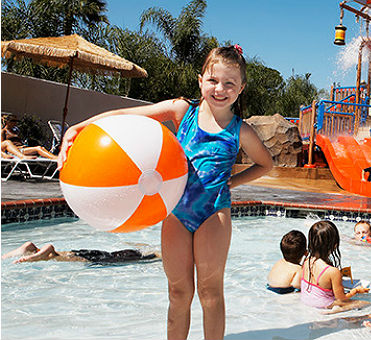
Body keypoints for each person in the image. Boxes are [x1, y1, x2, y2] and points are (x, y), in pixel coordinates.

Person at [58, 45, 274, 340]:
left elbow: (265, 164)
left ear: (241, 89)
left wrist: (231, 183)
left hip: (213, 214)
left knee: (210, 293)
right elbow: (126, 116)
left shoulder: (241, 131)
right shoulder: (182, 111)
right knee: (178, 291)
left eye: (229, 83)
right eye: (213, 80)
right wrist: (79, 128)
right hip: (176, 212)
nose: (220, 89)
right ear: (200, 80)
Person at [300, 221, 370, 313]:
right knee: (366, 303)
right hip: (324, 305)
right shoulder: (332, 271)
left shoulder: (306, 261)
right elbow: (341, 298)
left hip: (306, 300)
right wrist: (356, 291)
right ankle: (337, 310)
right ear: (334, 245)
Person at [2, 241, 159, 264]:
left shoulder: (138, 250)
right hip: (98, 256)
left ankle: (32, 250)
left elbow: (140, 246)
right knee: (62, 257)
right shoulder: (144, 256)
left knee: (70, 255)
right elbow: (154, 255)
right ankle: (44, 254)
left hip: (98, 252)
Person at [267, 230, 307, 294]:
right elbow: (297, 285)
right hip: (283, 292)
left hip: (269, 288)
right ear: (305, 252)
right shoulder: (299, 269)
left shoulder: (279, 262)